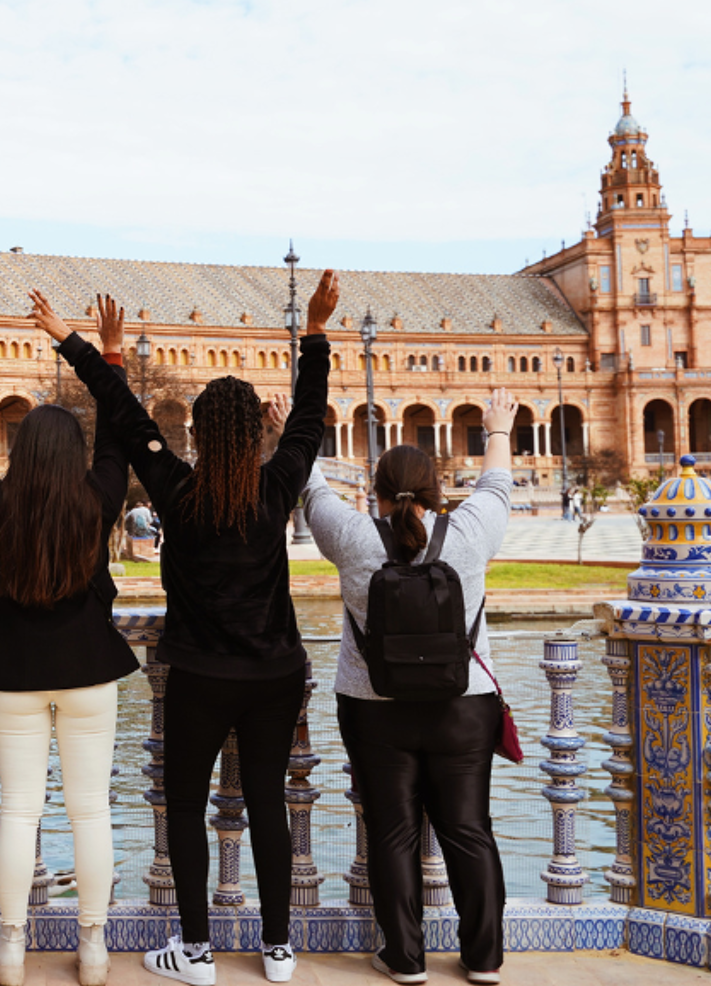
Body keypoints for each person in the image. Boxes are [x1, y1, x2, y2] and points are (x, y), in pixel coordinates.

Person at [58, 273, 338, 986]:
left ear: (201, 434)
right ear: (255, 435)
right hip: (276, 673)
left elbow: (127, 421)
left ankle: (198, 951)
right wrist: (313, 331)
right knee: (269, 804)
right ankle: (277, 951)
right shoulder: (277, 489)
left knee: (186, 806)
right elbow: (309, 419)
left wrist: (93, 349)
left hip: (201, 676)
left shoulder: (176, 491)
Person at [0, 299, 137, 986]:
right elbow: (118, 430)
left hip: (11, 669)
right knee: (91, 811)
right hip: (86, 669)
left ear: (20, 453)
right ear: (73, 456)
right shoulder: (100, 497)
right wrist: (104, 353)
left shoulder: (1, 502)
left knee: (18, 810)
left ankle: (12, 949)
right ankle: (95, 949)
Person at [301, 389, 519, 986]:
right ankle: (484, 958)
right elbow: (497, 487)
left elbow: (312, 487)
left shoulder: (350, 537)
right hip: (464, 704)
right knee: (470, 830)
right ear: (437, 490)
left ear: (374, 489)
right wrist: (497, 428)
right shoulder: (470, 532)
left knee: (392, 831)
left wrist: (289, 427)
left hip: (375, 708)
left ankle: (404, 958)